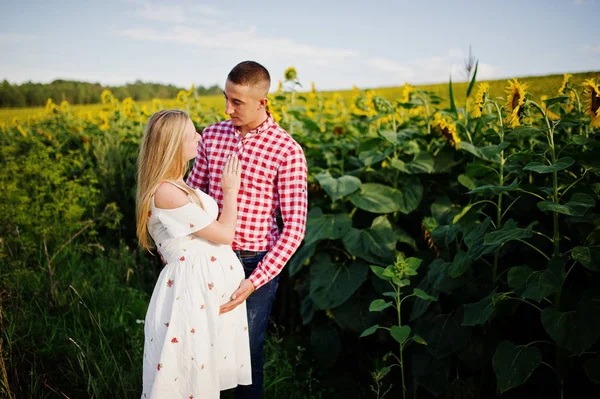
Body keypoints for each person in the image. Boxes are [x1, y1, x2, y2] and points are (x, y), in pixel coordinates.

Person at [186, 60, 308, 398]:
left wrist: (255, 280)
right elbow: (193, 200)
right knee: (205, 348)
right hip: (209, 255)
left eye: (237, 102)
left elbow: (294, 229)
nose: (227, 109)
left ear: (262, 102)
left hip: (255, 264)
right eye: (226, 98)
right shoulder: (211, 136)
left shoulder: (287, 151)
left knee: (244, 356)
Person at [136, 109, 252, 399]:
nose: (199, 137)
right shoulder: (165, 191)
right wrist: (230, 190)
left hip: (204, 294)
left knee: (202, 376)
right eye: (192, 134)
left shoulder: (179, 185)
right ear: (175, 144)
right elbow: (226, 234)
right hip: (190, 294)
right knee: (188, 377)